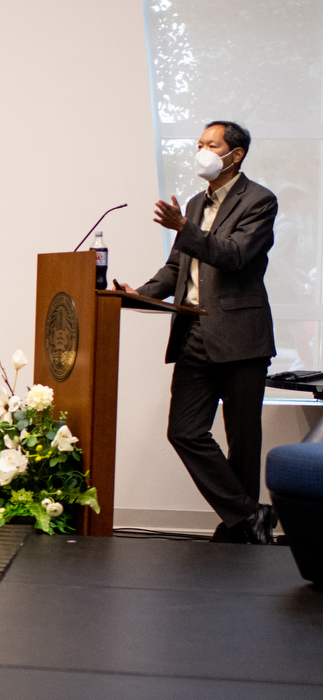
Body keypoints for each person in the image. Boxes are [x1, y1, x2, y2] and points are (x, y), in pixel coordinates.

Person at [118, 120, 277, 544]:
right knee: (184, 431)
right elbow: (176, 269)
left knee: (243, 440)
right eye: (200, 143)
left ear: (235, 154)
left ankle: (239, 527)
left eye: (212, 144)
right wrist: (136, 295)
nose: (202, 151)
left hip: (242, 336)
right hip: (193, 335)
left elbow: (235, 255)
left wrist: (184, 230)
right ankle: (247, 514)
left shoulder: (259, 200)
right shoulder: (192, 204)